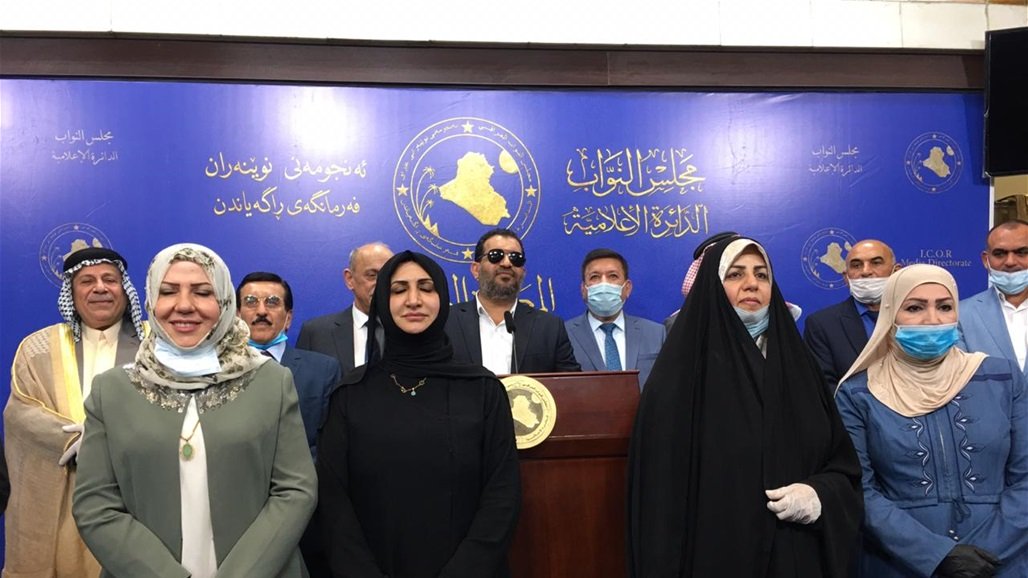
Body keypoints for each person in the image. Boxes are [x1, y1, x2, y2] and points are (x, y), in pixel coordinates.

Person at [73, 243, 316, 577]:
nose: (184, 305)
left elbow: (295, 490)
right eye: (168, 291)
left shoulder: (271, 381)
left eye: (202, 292)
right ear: (151, 301)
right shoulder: (112, 390)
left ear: (225, 302)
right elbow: (95, 505)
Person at [627, 236, 863, 577]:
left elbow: (843, 467)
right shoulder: (679, 377)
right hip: (711, 558)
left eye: (761, 275)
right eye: (736, 274)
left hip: (796, 556)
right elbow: (658, 503)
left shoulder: (800, 368)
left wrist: (818, 495)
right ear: (712, 287)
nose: (752, 284)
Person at [317, 250, 521, 578]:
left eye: (426, 288)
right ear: (383, 302)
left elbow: (502, 495)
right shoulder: (351, 394)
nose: (413, 300)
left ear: (442, 299)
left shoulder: (482, 389)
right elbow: (334, 503)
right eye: (399, 290)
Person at [836, 264, 1028, 577]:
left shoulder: (1002, 378)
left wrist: (984, 554)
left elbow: (1025, 478)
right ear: (890, 315)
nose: (933, 319)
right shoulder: (859, 393)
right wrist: (937, 556)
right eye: (914, 308)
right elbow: (858, 489)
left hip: (999, 563)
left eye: (945, 307)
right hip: (902, 563)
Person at [4, 246, 145, 577]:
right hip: (63, 488)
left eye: (110, 279)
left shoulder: (155, 345)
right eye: (87, 281)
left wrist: (105, 439)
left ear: (124, 288)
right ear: (71, 291)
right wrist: (69, 439)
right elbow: (21, 414)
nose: (100, 288)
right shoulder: (38, 347)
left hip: (135, 493)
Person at [236, 271, 341, 459]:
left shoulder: (323, 370)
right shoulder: (217, 371)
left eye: (272, 302)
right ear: (237, 315)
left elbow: (331, 444)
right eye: (251, 302)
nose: (261, 311)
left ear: (288, 318)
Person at [446, 228, 580, 374]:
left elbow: (571, 383)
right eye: (496, 255)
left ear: (523, 272)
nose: (506, 263)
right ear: (475, 269)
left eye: (515, 258)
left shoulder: (550, 327)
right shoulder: (446, 321)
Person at [804, 239, 900, 392]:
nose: (865, 271)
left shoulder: (920, 319)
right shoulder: (822, 325)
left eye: (876, 263)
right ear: (846, 278)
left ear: (896, 272)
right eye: (856, 265)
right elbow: (824, 388)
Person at [564, 248, 665, 388]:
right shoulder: (564, 335)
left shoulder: (656, 333)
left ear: (627, 288)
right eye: (594, 277)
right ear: (583, 289)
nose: (604, 284)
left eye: (613, 276)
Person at [297, 242, 393, 374]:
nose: (381, 284)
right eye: (372, 275)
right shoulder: (316, 333)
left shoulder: (411, 331)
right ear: (350, 279)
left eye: (388, 276)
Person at [959, 220, 1028, 379]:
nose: (1010, 262)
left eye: (1022, 252)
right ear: (986, 260)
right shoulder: (961, 315)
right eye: (1000, 254)